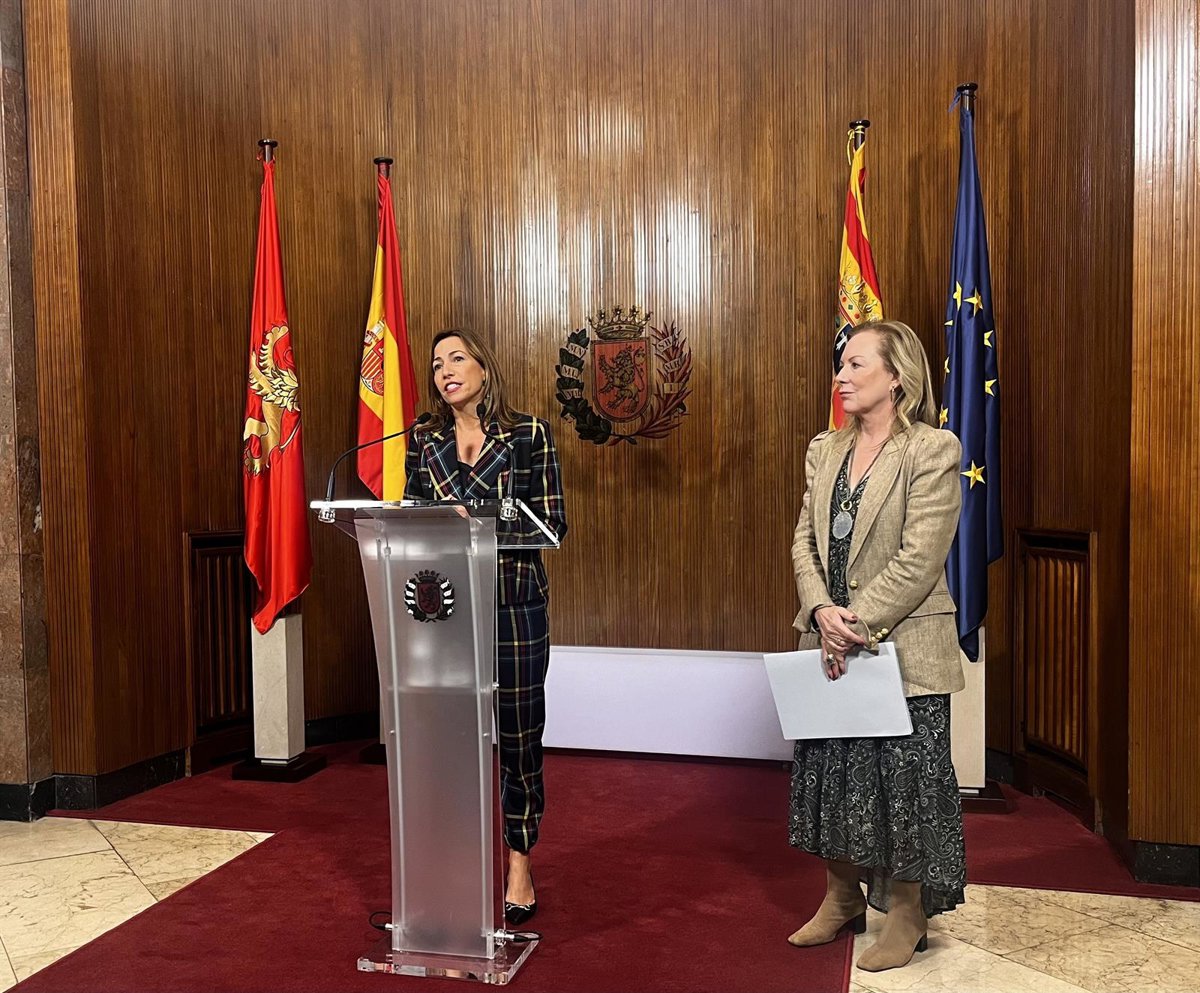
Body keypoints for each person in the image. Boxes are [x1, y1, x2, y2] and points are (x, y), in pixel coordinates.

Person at [786, 320, 966, 972]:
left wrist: (854, 622)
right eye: (842, 365)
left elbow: (921, 558)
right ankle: (842, 898)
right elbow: (804, 541)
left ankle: (909, 914)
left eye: (856, 364)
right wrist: (820, 611)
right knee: (834, 778)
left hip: (905, 646)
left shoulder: (932, 449)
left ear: (896, 377)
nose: (841, 375)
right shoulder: (824, 449)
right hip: (830, 642)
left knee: (906, 787)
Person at [404, 327, 567, 925]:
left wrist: (474, 523)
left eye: (457, 358)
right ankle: (455, 859)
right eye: (436, 364)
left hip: (514, 607)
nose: (445, 370)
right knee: (449, 740)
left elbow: (552, 524)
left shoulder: (528, 435)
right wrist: (437, 523)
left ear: (483, 367)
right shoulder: (422, 439)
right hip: (443, 614)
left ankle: (519, 860)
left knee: (519, 737)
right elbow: (408, 519)